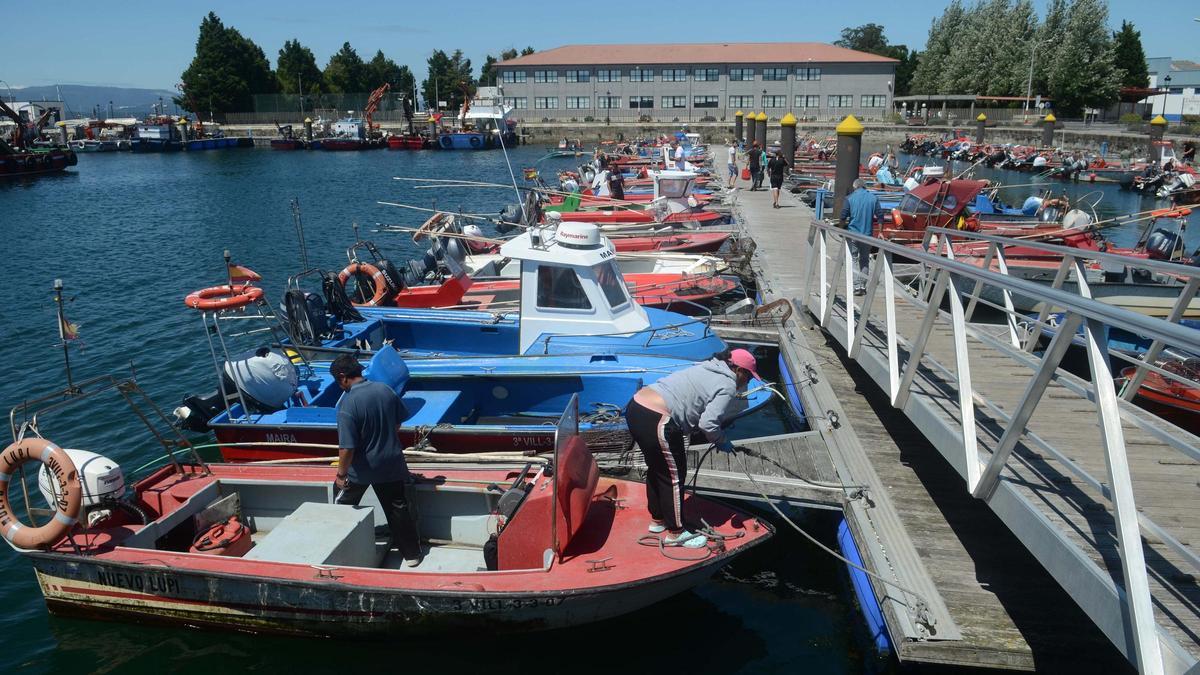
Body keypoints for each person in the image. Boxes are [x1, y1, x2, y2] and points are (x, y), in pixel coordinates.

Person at [626, 349, 760, 548]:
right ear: (740, 370)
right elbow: (708, 423)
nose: (747, 382)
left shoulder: (707, 366)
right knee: (674, 476)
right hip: (659, 418)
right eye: (748, 377)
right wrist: (720, 440)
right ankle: (676, 533)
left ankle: (658, 520)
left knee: (658, 470)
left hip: (637, 407)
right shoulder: (728, 384)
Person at [330, 354, 423, 566]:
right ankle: (412, 555)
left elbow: (347, 448)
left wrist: (341, 475)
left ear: (343, 377)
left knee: (340, 504)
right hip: (392, 463)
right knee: (397, 507)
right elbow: (397, 423)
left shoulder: (347, 405)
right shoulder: (385, 389)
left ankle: (342, 550)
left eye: (338, 381)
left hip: (362, 470)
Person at [840, 178, 882, 296]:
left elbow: (843, 215)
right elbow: (880, 215)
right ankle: (862, 286)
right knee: (864, 260)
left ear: (855, 187)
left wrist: (841, 228)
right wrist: (880, 231)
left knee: (853, 259)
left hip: (853, 233)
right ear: (864, 187)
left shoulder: (849, 198)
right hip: (867, 234)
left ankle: (856, 286)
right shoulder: (873, 198)